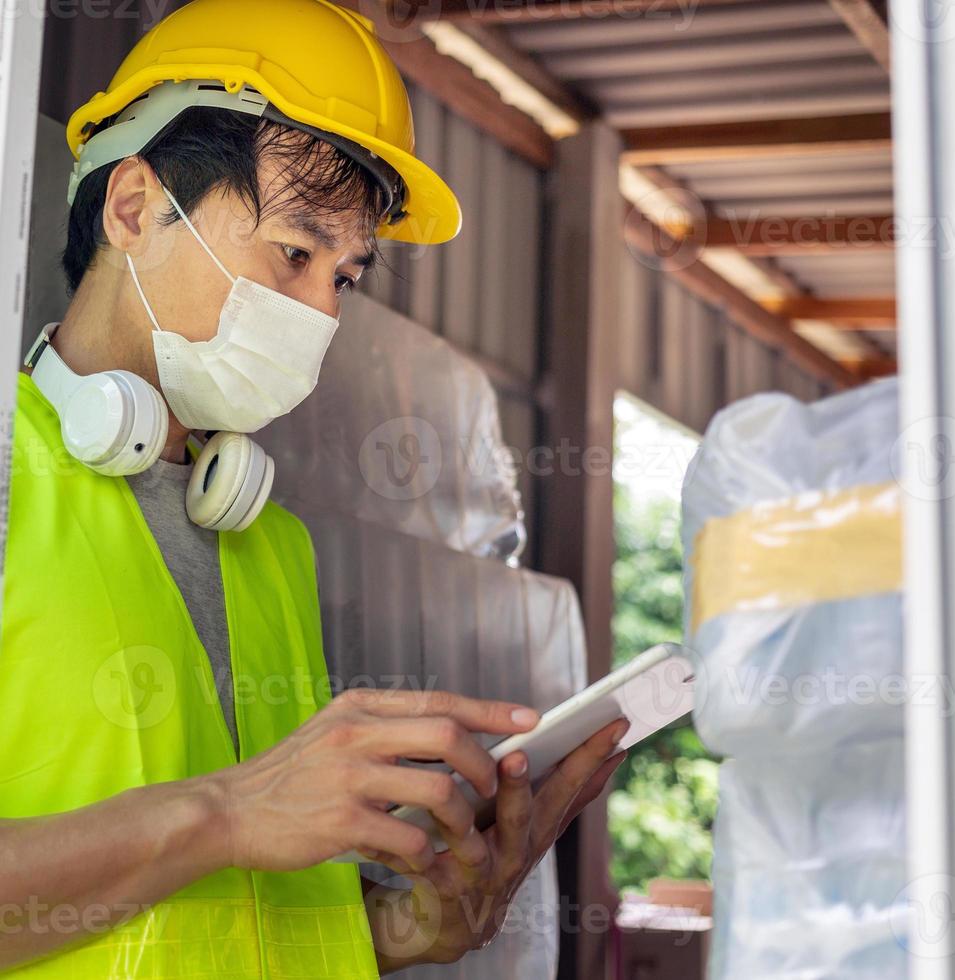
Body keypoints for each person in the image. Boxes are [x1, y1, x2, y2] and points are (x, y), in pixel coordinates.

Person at [0, 0, 628, 975]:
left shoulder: (268, 542)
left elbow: (236, 917)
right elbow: (232, 829)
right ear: (132, 207)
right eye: (295, 252)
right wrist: (225, 808)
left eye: (345, 274)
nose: (320, 313)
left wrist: (412, 925)